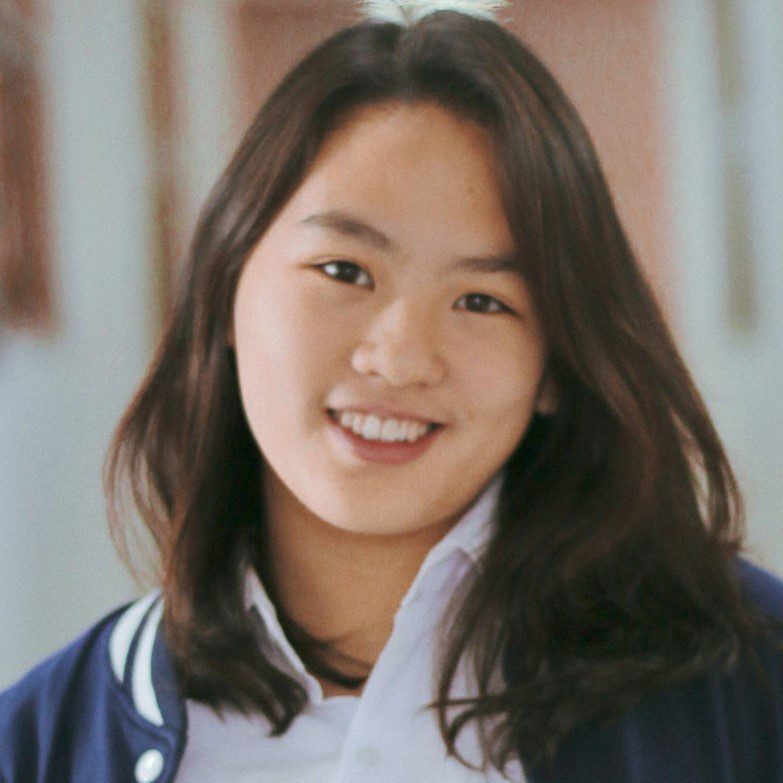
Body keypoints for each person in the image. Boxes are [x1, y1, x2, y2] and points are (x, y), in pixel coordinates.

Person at [2, 2, 782, 782]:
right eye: (344, 270)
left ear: (555, 365)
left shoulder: (747, 684)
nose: (401, 357)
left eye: (483, 301)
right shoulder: (42, 742)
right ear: (224, 288)